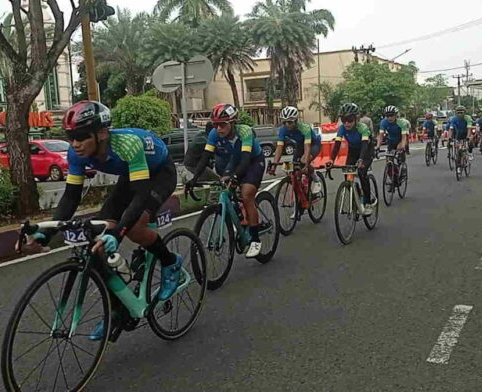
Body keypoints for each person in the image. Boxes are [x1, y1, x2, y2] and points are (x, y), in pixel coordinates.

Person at [19, 100, 182, 340]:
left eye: (82, 137)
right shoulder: (77, 154)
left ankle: (170, 262)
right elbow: (71, 198)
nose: (75, 144)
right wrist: (46, 234)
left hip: (159, 173)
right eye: (71, 137)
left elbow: (140, 196)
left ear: (102, 133)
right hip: (131, 174)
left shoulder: (128, 144)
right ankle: (117, 309)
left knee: (135, 228)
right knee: (98, 235)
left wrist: (117, 234)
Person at [190, 103, 266, 258]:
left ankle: (255, 239)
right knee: (224, 188)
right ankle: (241, 219)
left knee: (246, 194)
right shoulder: (213, 134)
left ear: (232, 123)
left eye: (222, 125)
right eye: (215, 125)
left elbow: (245, 161)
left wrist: (235, 177)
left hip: (252, 160)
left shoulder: (244, 131)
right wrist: (194, 178)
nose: (218, 129)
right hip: (233, 161)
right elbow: (205, 158)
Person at [328, 103, 376, 215]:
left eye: (349, 119)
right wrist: (331, 159)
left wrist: (361, 160)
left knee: (362, 172)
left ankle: (368, 203)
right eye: (344, 119)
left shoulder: (362, 128)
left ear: (356, 118)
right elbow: (337, 144)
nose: (346, 123)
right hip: (353, 151)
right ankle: (357, 195)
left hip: (366, 150)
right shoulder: (342, 129)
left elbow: (364, 145)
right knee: (348, 175)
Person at [268, 106, 323, 192]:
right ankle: (301, 190)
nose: (287, 125)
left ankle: (316, 179)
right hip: (300, 145)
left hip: (313, 144)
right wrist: (274, 164)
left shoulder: (304, 128)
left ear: (296, 120)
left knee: (304, 160)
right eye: (284, 122)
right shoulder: (283, 130)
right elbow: (279, 147)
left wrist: (306, 164)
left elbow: (307, 146)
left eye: (290, 122)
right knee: (290, 168)